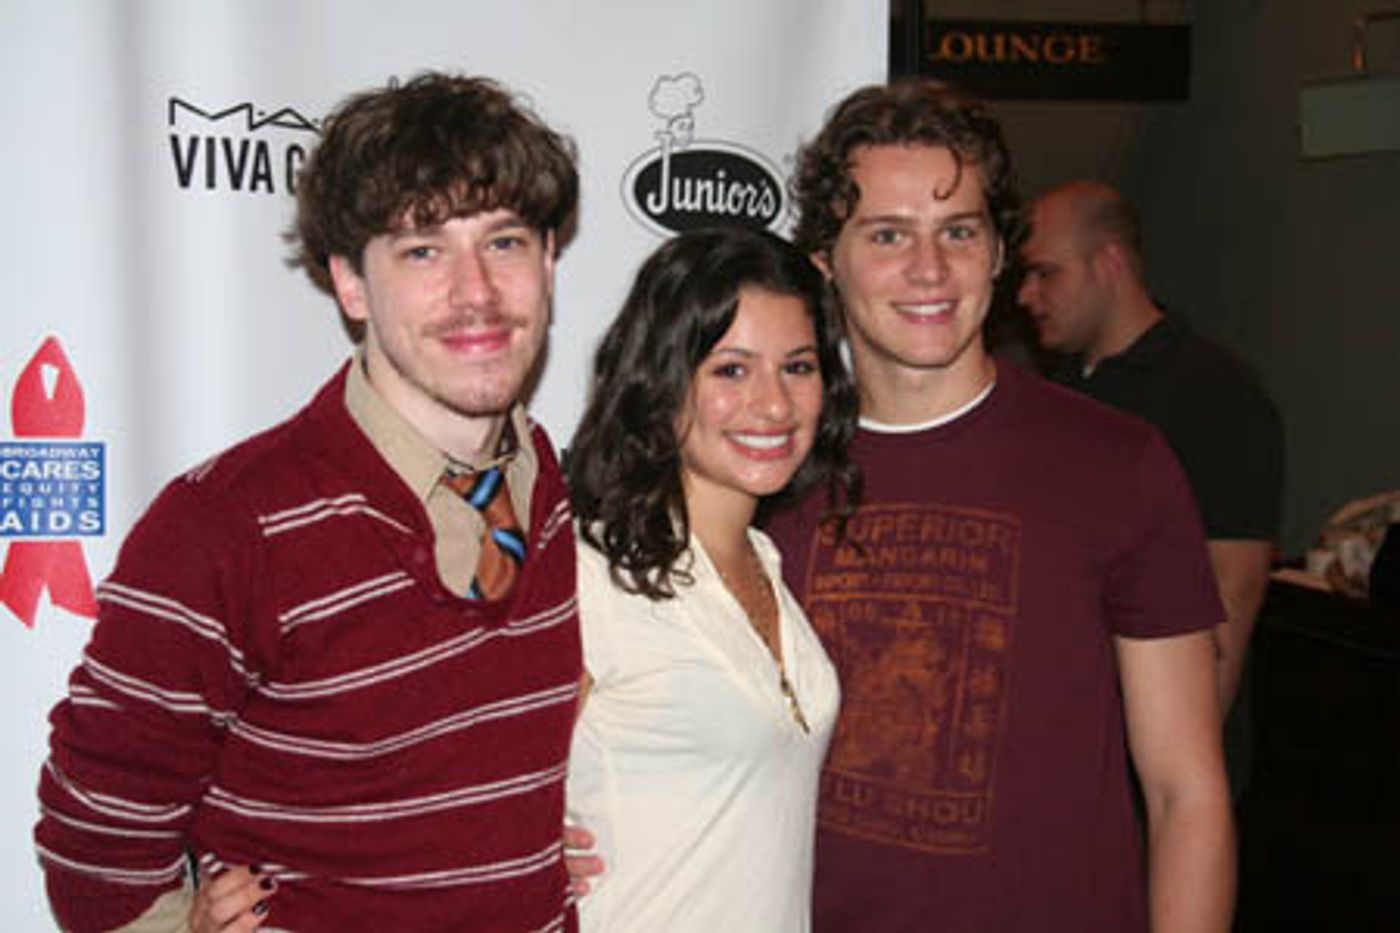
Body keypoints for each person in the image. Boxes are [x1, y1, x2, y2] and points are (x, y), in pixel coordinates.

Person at [35, 72, 582, 933]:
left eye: (504, 241)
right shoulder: (227, 527)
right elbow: (96, 839)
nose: (476, 291)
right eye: (423, 250)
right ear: (351, 283)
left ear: (549, 260)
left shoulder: (550, 488)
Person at [763, 80, 1236, 931]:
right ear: (826, 260)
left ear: (996, 252)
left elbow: (1185, 790)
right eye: (887, 234)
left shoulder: (1118, 464)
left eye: (959, 231)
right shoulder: (768, 476)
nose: (930, 269)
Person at [564, 226, 859, 931]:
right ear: (661, 380)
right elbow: (457, 800)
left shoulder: (766, 560)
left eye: (798, 366)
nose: (775, 404)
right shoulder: (587, 572)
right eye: (731, 370)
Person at [1017, 179, 1284, 713]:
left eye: (1046, 273)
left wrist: (1181, 746)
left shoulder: (1215, 392)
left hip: (1156, 724)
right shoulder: (1051, 396)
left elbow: (1233, 586)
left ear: (1109, 263)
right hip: (1068, 716)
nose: (1025, 295)